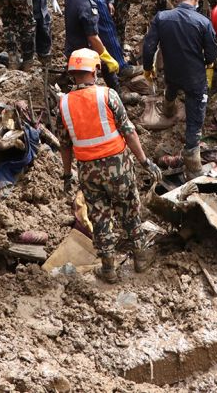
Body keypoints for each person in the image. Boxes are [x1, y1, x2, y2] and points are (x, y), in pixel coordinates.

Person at [58, 48, 161, 283]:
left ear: (73, 73)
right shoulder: (108, 95)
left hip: (88, 171)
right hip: (119, 167)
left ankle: (108, 269)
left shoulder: (63, 104)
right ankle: (141, 258)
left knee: (100, 217)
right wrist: (145, 161)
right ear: (95, 70)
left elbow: (64, 145)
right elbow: (129, 132)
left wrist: (66, 175)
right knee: (129, 209)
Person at [143, 0, 217, 179]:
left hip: (172, 70)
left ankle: (168, 109)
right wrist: (205, 60)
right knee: (195, 120)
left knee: (171, 87)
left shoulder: (162, 17)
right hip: (195, 76)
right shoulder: (203, 22)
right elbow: (211, 54)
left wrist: (146, 68)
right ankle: (193, 165)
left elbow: (149, 46)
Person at [65, 0, 123, 90]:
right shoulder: (88, 7)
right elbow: (93, 38)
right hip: (82, 55)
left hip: (71, 47)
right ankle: (117, 95)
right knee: (106, 64)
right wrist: (108, 58)